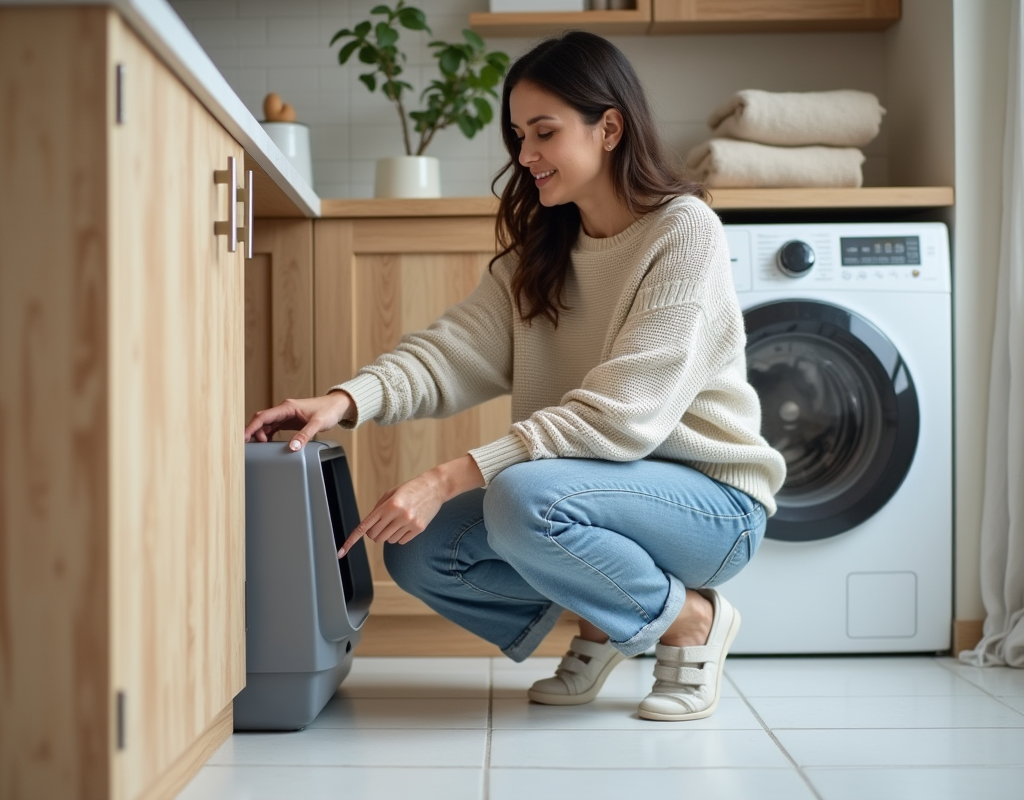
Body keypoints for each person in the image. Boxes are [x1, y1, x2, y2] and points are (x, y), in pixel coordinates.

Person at [244, 31, 785, 722]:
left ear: (609, 128)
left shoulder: (683, 231)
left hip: (712, 507)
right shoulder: (540, 254)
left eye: (544, 132)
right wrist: (346, 399)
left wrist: (448, 477)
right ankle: (605, 620)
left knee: (520, 496)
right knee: (421, 551)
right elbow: (449, 353)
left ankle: (690, 622)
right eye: (519, 135)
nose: (525, 155)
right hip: (594, 493)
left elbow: (622, 413)